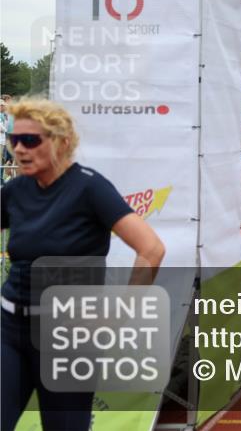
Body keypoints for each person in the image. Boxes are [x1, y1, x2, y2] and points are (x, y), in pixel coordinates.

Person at [1, 98, 165, 431]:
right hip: (9, 329)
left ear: (61, 142)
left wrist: (119, 314)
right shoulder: (15, 190)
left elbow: (151, 248)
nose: (19, 149)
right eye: (13, 140)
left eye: (30, 140)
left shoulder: (89, 188)